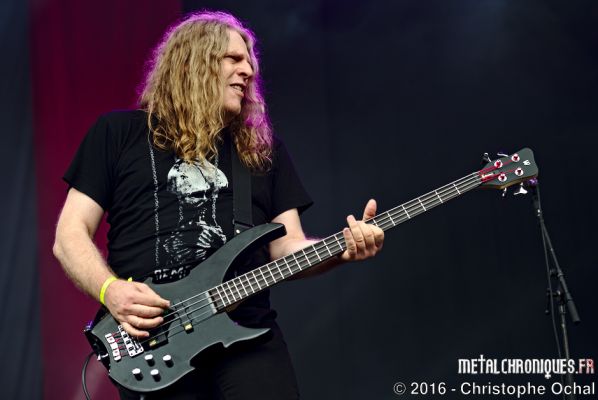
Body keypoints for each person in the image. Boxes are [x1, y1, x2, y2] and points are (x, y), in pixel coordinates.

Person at [53, 11, 384, 400]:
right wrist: (110, 291)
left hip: (247, 336)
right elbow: (69, 235)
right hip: (154, 341)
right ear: (192, 62)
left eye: (250, 62)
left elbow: (287, 247)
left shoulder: (262, 154)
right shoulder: (118, 134)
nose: (249, 70)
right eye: (234, 59)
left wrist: (343, 248)